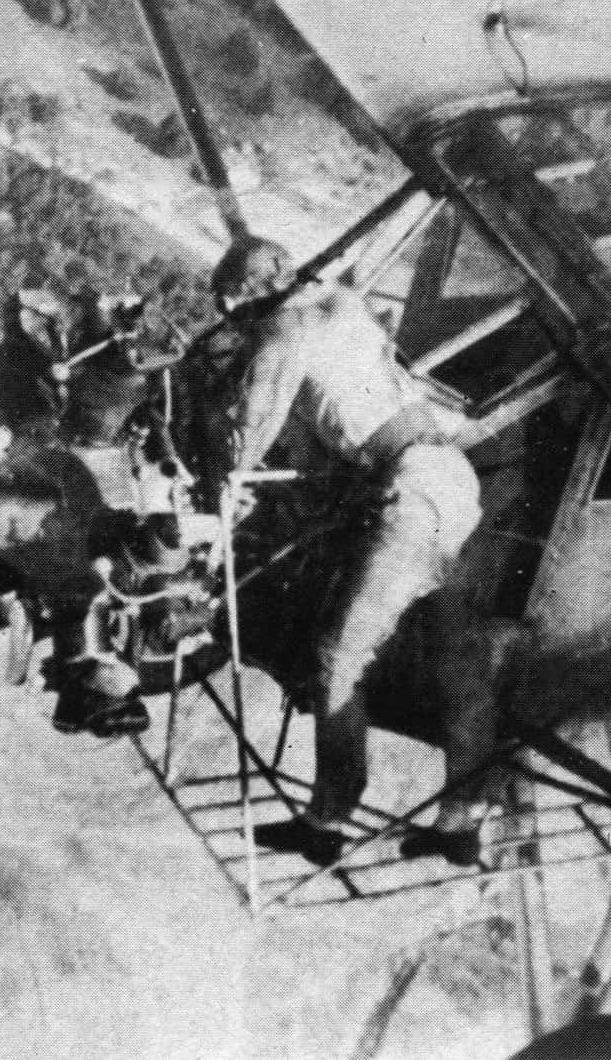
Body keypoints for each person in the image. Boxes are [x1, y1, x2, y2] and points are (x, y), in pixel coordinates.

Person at [212, 235, 489, 867]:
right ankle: (462, 823)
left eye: (234, 309)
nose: (239, 324)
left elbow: (251, 431)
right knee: (458, 663)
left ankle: (328, 820)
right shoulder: (343, 304)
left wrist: (227, 480)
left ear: (249, 293)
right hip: (452, 480)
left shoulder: (282, 328)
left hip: (411, 493)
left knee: (338, 658)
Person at [0, 285, 194, 738]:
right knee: (51, 420)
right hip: (84, 491)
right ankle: (71, 328)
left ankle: (62, 328)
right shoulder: (110, 624)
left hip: (78, 492)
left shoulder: (115, 632)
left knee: (45, 419)